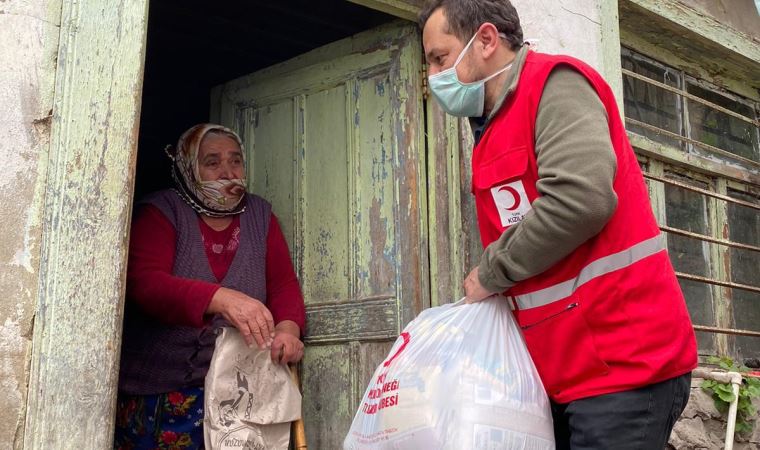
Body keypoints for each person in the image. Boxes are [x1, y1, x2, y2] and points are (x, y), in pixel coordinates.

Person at [419, 1, 697, 448]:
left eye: (440, 57)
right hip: (565, 372)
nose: (434, 76)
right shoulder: (491, 128)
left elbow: (579, 200)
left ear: (486, 40)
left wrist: (491, 273)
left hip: (625, 363)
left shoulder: (554, 86)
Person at [114, 123, 306, 450]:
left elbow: (283, 285)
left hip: (239, 387)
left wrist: (289, 330)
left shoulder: (260, 215)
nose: (227, 172)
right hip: (164, 388)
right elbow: (144, 284)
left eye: (235, 161)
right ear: (189, 167)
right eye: (212, 162)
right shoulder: (162, 212)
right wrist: (221, 299)